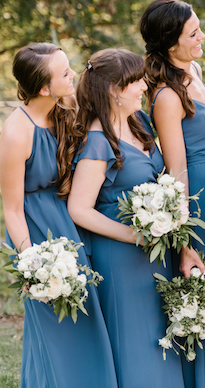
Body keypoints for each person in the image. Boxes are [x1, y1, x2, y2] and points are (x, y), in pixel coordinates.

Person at [141, 0, 205, 388]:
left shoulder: (196, 71)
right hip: (197, 197)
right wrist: (184, 241)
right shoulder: (167, 96)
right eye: (193, 32)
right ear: (171, 45)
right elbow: (177, 166)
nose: (202, 36)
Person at [0, 43, 117, 387]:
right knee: (58, 330)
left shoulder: (66, 108)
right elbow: (12, 209)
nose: (74, 75)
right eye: (65, 72)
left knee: (87, 322)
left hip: (68, 228)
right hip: (37, 236)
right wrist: (33, 265)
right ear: (44, 88)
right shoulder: (16, 132)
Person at [67, 48, 184, 387]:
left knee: (159, 343)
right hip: (121, 258)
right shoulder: (97, 142)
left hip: (153, 255)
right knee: (134, 347)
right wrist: (136, 236)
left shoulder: (138, 122)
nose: (144, 87)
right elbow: (79, 209)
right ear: (114, 90)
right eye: (135, 82)